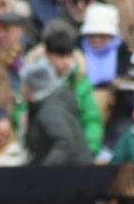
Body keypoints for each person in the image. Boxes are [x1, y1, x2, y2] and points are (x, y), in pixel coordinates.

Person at [23, 32, 99, 165]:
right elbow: (23, 111)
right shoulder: (33, 79)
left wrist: (90, 148)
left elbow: (91, 119)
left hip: (71, 155)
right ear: (48, 55)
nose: (66, 62)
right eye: (60, 56)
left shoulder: (80, 84)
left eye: (68, 56)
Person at [78, 0, 128, 88]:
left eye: (102, 35)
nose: (96, 40)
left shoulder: (122, 53)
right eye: (92, 35)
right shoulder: (78, 50)